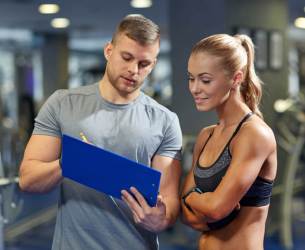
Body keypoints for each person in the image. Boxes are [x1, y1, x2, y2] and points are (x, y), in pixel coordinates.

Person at [19, 14, 182, 250]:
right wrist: (70, 162)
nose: (133, 70)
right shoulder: (62, 103)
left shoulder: (165, 121)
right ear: (109, 51)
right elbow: (27, 179)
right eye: (126, 58)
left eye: (144, 64)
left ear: (153, 65)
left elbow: (169, 201)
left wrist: (162, 218)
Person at [181, 34, 277, 250]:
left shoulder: (254, 134)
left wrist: (193, 198)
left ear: (235, 78)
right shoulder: (206, 136)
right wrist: (200, 202)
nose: (195, 88)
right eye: (191, 78)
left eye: (205, 80)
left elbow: (215, 209)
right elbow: (188, 217)